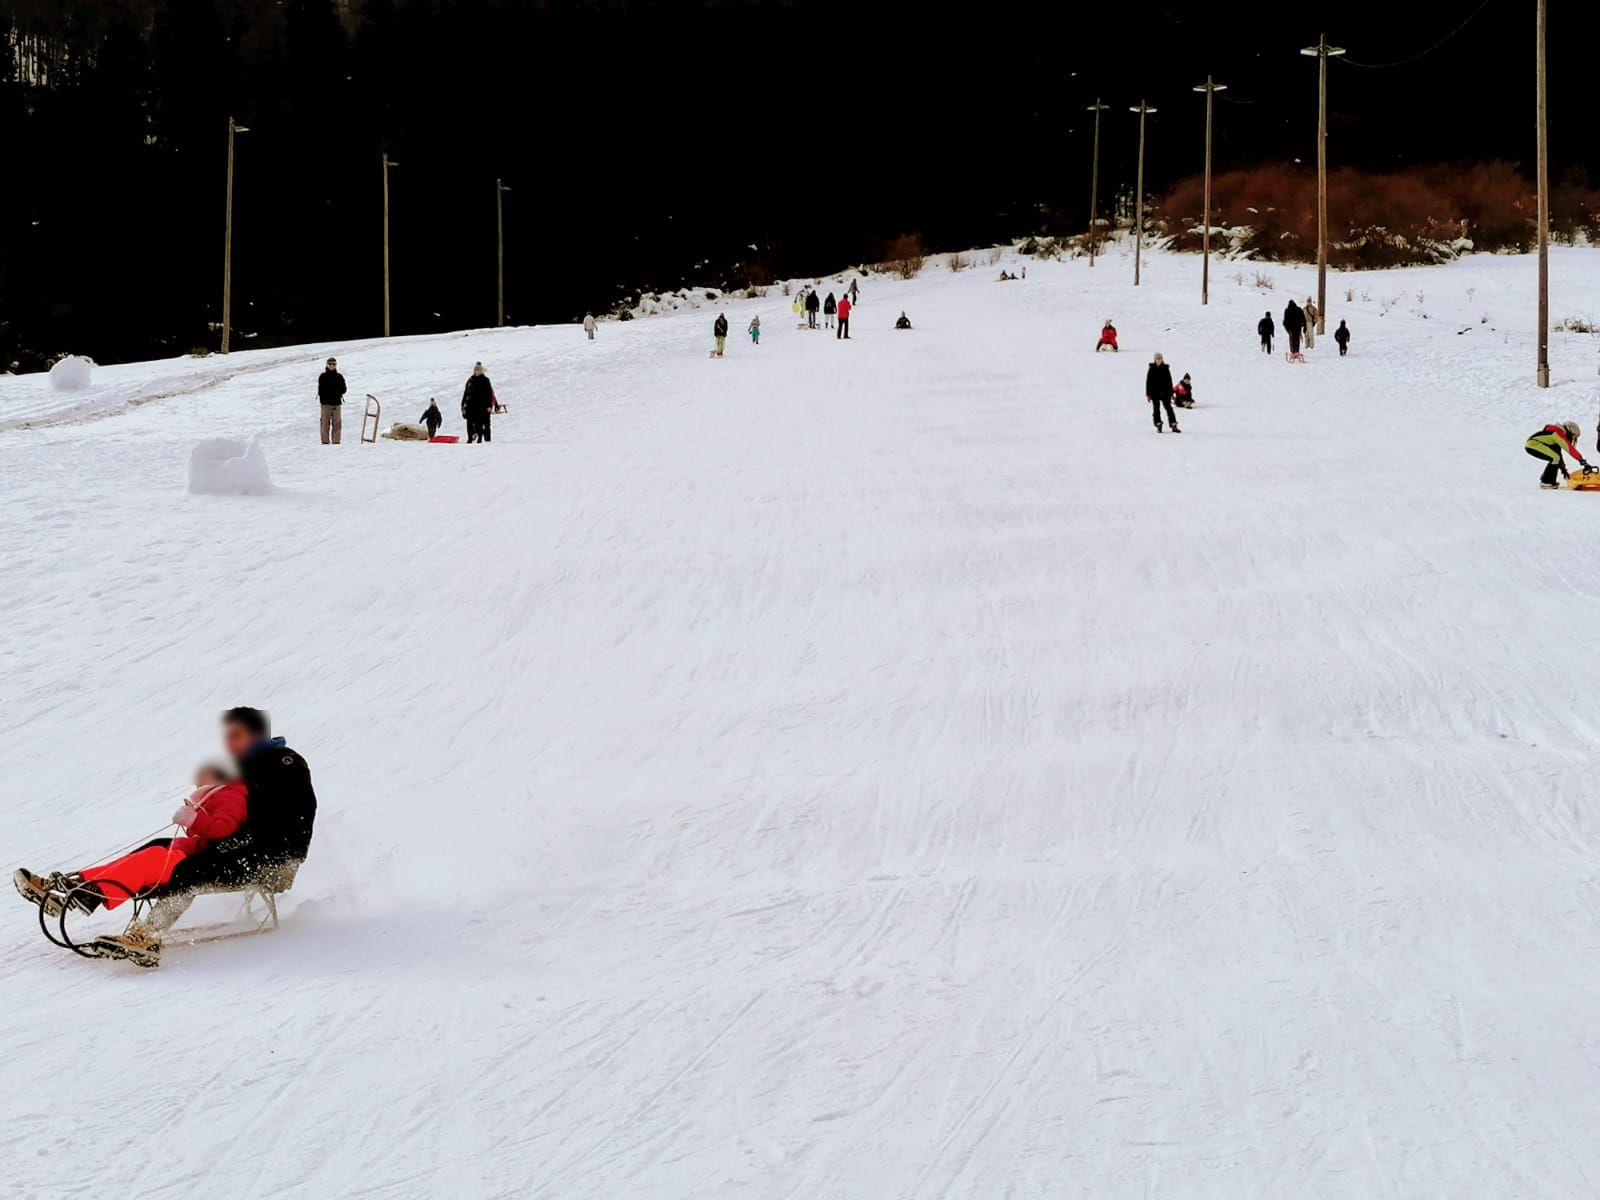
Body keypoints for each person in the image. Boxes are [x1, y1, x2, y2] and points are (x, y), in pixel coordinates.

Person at [14, 762, 248, 920]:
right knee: (133, 860)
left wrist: (194, 820)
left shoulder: (231, 794)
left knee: (149, 860)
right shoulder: (213, 797)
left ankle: (88, 894)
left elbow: (223, 830)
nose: (197, 782)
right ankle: (68, 886)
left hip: (197, 862)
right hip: (189, 855)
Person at [1525, 421, 1589, 490]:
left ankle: (1546, 480)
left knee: (1555, 457)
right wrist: (1581, 460)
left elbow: (1558, 454)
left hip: (1532, 444)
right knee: (1555, 457)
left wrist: (1563, 470)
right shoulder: (1558, 433)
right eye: (1573, 436)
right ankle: (1546, 482)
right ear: (1569, 432)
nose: (1572, 439)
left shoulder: (1556, 433)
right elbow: (1569, 448)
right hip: (1533, 445)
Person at [461, 361, 496, 443]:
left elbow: (489, 394)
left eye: (478, 369)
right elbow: (466, 393)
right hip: (470, 405)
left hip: (481, 406)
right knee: (469, 423)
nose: (476, 371)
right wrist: (463, 405)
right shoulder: (470, 380)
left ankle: (480, 438)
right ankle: (470, 439)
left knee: (480, 423)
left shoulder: (485, 380)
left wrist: (489, 405)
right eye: (475, 369)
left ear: (481, 371)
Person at [1146, 352, 1179, 433]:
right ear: (1154, 359)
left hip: (1165, 392)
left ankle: (1173, 424)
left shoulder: (1166, 368)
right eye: (1157, 358)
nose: (1159, 360)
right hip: (1154, 393)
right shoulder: (1151, 369)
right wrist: (1148, 394)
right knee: (1156, 409)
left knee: (1169, 408)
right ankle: (1158, 424)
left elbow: (1169, 381)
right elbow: (1148, 382)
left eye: (1160, 358)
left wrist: (1171, 393)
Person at [318, 356, 347, 444]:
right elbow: (321, 390)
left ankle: (336, 442)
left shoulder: (339, 377)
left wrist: (338, 391)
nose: (332, 366)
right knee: (325, 424)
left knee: (337, 424)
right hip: (326, 404)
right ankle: (325, 442)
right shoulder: (323, 376)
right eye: (330, 364)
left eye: (333, 364)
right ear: (327, 365)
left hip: (336, 404)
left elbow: (344, 389)